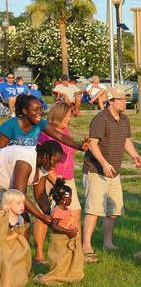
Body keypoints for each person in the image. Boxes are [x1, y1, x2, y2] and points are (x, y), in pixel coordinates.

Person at [82, 88, 141, 251]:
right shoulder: (101, 119)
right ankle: (86, 245)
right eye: (121, 99)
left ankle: (108, 243)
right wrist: (104, 163)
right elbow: (92, 144)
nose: (125, 102)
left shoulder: (124, 119)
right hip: (96, 170)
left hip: (114, 171)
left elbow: (126, 140)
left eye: (125, 99)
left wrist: (135, 156)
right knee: (94, 209)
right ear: (110, 101)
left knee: (113, 209)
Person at [34, 102, 87, 264]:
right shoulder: (45, 132)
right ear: (58, 115)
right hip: (50, 178)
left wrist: (81, 146)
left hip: (68, 179)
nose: (69, 119)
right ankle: (39, 255)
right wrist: (55, 180)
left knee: (76, 212)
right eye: (67, 116)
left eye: (70, 116)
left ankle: (76, 252)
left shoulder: (65, 130)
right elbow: (41, 160)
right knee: (45, 215)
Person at [0, 141, 69, 241]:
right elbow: (19, 194)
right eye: (55, 161)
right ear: (46, 156)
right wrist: (41, 217)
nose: (56, 165)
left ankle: (23, 254)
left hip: (6, 189)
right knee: (7, 220)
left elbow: (40, 194)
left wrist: (51, 215)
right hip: (4, 188)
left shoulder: (44, 165)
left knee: (24, 221)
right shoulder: (26, 161)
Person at [32, 178, 84, 286]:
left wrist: (72, 229)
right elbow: (54, 226)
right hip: (60, 240)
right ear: (62, 199)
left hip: (68, 237)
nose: (71, 199)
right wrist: (68, 232)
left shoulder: (65, 210)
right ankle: (57, 274)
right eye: (69, 197)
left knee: (68, 258)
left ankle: (65, 273)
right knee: (60, 259)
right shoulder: (58, 211)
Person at [0, 94, 87, 149]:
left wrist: (80, 147)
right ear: (24, 111)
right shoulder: (9, 126)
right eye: (35, 110)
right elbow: (1, 151)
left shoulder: (40, 123)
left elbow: (60, 137)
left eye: (41, 109)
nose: (40, 113)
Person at [0, 189, 31, 287]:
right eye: (17, 203)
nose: (21, 206)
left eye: (22, 203)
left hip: (17, 247)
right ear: (7, 204)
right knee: (6, 267)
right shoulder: (3, 218)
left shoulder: (20, 218)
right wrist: (12, 236)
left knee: (18, 267)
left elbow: (20, 233)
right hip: (5, 248)